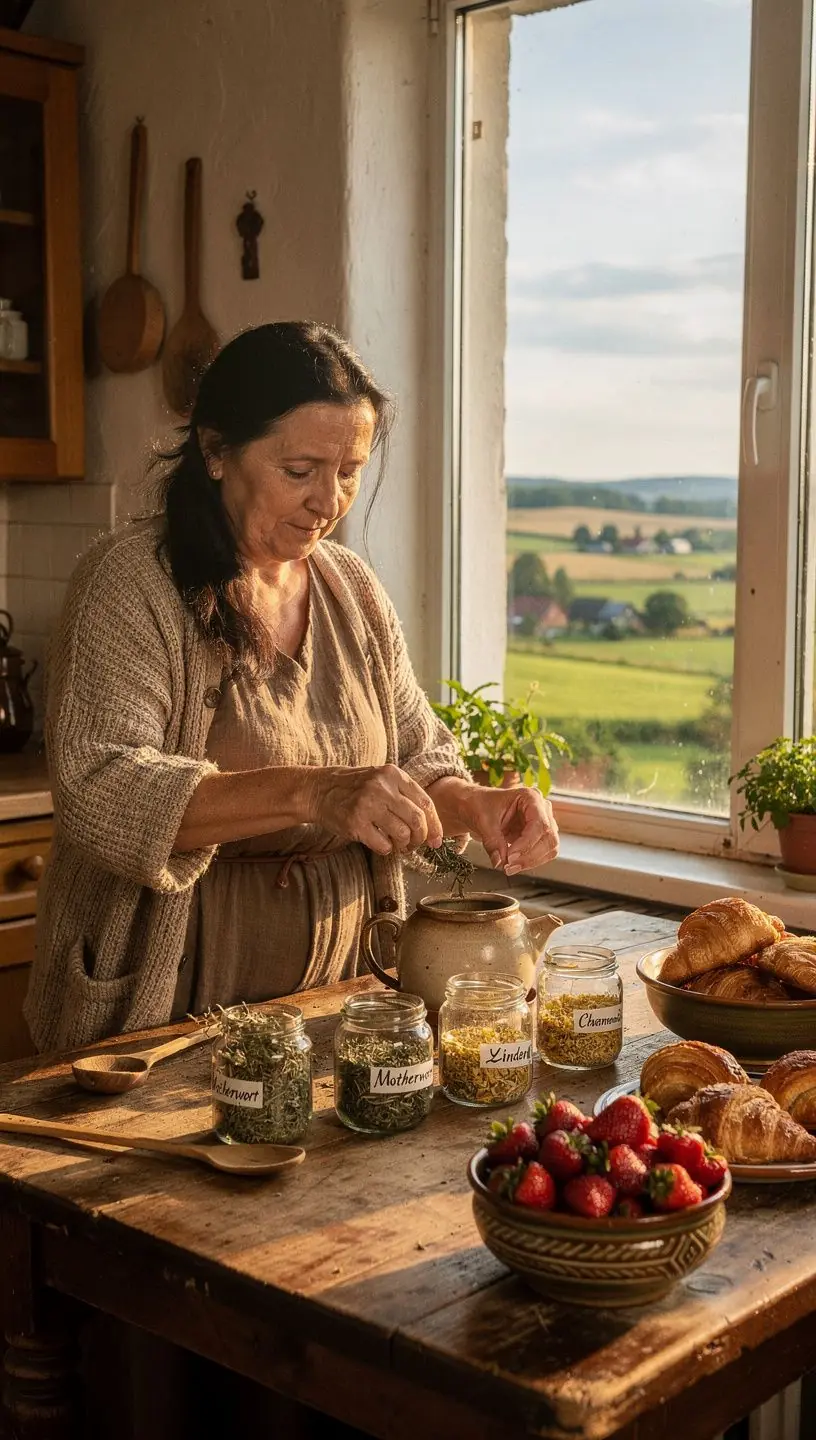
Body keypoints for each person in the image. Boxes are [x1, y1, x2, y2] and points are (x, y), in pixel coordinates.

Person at [25, 322, 558, 1052]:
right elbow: (102, 788)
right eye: (301, 470)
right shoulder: (129, 584)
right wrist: (316, 790)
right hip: (173, 1002)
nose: (328, 501)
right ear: (216, 452)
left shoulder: (352, 589)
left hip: (335, 1000)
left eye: (351, 471)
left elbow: (414, 753)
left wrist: (475, 803)